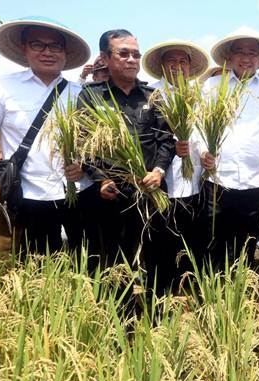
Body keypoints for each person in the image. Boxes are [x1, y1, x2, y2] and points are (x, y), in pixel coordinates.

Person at [0, 16, 97, 256]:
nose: (47, 52)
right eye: (38, 44)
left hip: (78, 193)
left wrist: (84, 166)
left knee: (88, 260)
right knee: (38, 262)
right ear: (24, 48)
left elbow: (94, 142)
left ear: (65, 53)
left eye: (55, 46)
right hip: (28, 196)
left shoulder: (83, 94)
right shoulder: (0, 87)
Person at [77, 29, 175, 289]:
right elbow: (84, 144)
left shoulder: (152, 95)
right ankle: (118, 318)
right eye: (124, 53)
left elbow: (166, 140)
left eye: (136, 54)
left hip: (151, 190)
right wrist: (101, 179)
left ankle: (157, 315)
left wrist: (159, 171)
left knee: (157, 254)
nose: (132, 59)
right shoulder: (91, 96)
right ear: (104, 58)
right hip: (111, 193)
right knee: (113, 259)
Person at [199, 27, 259, 265]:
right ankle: (212, 293)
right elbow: (197, 125)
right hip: (217, 179)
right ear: (230, 56)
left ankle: (241, 291)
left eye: (252, 53)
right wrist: (203, 150)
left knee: (247, 241)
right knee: (213, 240)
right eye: (240, 52)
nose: (246, 58)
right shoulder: (212, 86)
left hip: (254, 180)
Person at [142, 39, 209, 289]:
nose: (177, 66)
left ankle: (187, 294)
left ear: (190, 67)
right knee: (159, 244)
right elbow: (145, 138)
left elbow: (203, 133)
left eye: (183, 61)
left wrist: (203, 154)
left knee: (190, 243)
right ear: (161, 65)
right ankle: (159, 295)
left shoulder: (199, 96)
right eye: (172, 60)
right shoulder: (151, 95)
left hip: (194, 183)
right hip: (161, 184)